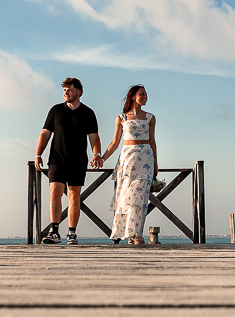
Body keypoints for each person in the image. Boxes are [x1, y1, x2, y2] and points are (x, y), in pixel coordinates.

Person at [33, 77, 101, 245]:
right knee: (55, 192)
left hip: (78, 160)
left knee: (73, 195)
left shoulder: (88, 113)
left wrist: (97, 154)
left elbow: (94, 137)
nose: (66, 93)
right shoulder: (55, 110)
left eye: (69, 90)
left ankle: (72, 233)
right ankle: (54, 231)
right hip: (57, 159)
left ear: (79, 92)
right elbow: (45, 133)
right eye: (64, 90)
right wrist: (38, 154)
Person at [99, 83, 158, 245]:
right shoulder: (121, 118)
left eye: (146, 94)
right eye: (142, 94)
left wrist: (156, 163)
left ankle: (137, 234)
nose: (145, 97)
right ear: (133, 96)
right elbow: (114, 143)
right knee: (127, 197)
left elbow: (152, 141)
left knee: (141, 198)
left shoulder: (150, 117)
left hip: (145, 158)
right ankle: (128, 234)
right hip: (127, 159)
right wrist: (101, 158)